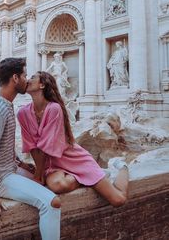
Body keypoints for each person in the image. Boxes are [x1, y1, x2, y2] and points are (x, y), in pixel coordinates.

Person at [0, 58, 61, 240]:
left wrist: (21, 164)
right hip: (1, 179)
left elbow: (1, 147)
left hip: (10, 171)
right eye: (23, 75)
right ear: (15, 78)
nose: (26, 80)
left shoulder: (5, 105)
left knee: (44, 180)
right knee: (52, 202)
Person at [17, 71, 129, 207]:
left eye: (33, 77)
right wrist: (39, 174)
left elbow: (46, 145)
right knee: (57, 186)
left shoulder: (54, 108)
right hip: (53, 164)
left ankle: (122, 166)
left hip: (74, 159)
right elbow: (32, 146)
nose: (28, 80)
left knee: (118, 200)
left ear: (42, 85)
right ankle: (91, 177)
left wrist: (38, 176)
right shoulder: (23, 113)